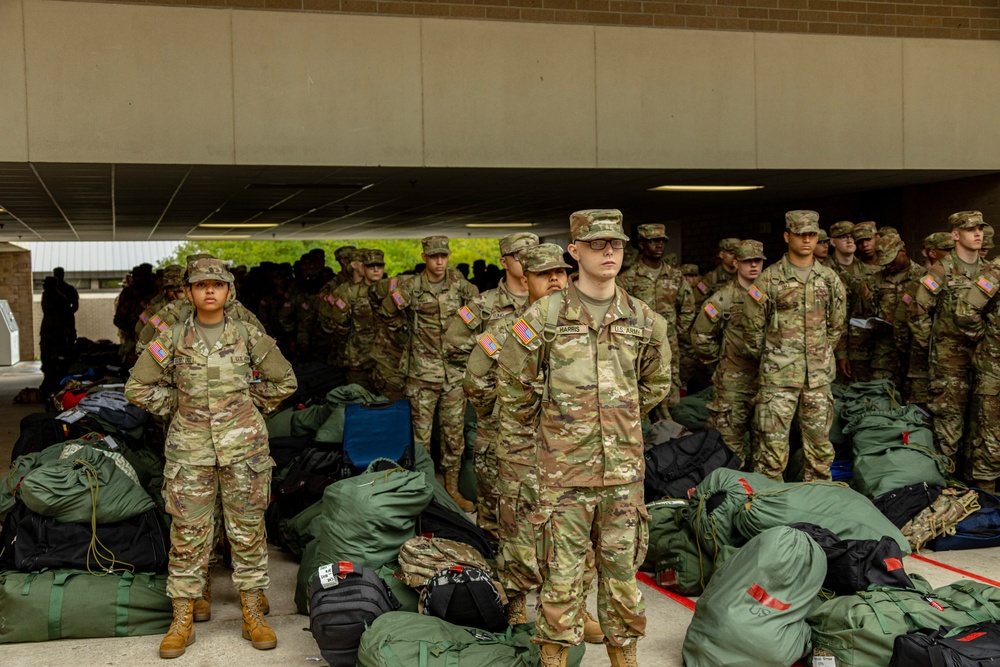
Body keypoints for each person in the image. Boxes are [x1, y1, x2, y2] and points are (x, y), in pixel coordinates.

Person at [495, 210, 670, 667]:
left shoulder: (644, 319)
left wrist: (612, 420)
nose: (608, 251)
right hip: (563, 476)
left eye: (615, 244)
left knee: (622, 579)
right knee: (561, 579)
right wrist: (561, 430)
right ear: (574, 252)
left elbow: (655, 385)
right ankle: (553, 660)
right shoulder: (545, 316)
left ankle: (624, 659)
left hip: (623, 477)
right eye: (597, 244)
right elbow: (513, 388)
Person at [125, 257, 297, 659]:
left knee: (248, 531)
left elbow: (285, 380)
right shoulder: (169, 337)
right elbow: (137, 387)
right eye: (200, 285)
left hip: (244, 448)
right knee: (187, 535)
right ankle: (182, 618)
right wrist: (179, 404)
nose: (208, 291)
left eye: (216, 285)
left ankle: (252, 612)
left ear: (228, 292)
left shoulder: (248, 334)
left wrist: (246, 406)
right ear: (189, 292)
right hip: (191, 449)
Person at [444, 231, 538, 536]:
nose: (526, 261)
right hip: (495, 413)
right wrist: (488, 355)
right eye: (519, 256)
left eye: (532, 254)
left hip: (538, 415)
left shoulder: (553, 305)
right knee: (491, 491)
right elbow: (452, 344)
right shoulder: (484, 304)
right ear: (504, 261)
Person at [376, 236, 479, 511]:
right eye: (434, 257)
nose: (439, 261)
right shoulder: (412, 287)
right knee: (420, 438)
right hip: (422, 374)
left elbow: (481, 315)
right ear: (425, 258)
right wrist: (404, 331)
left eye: (443, 256)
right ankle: (422, 490)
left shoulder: (461, 287)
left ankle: (452, 490)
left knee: (453, 437)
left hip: (455, 375)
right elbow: (386, 312)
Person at [744, 210, 846, 481]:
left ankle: (819, 507)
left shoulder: (829, 279)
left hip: (818, 378)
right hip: (778, 378)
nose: (806, 241)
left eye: (812, 235)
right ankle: (770, 508)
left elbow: (836, 326)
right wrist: (774, 357)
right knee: (772, 452)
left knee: (820, 450)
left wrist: (818, 354)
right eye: (800, 235)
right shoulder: (769, 279)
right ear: (787, 236)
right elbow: (753, 329)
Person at [909, 211, 985, 465]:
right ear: (955, 235)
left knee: (981, 423)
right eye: (970, 230)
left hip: (983, 362)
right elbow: (917, 309)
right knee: (948, 425)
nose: (977, 234)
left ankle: (976, 481)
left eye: (980, 229)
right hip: (949, 365)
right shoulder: (943, 269)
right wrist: (931, 343)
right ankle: (946, 481)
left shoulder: (988, 270)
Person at [690, 240, 766, 465]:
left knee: (766, 444)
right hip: (733, 384)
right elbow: (700, 336)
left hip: (767, 380)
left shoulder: (771, 295)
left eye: (757, 261)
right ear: (736, 263)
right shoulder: (723, 299)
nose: (753, 266)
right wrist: (719, 363)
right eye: (747, 261)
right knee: (730, 444)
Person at [616, 223, 696, 416]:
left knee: (670, 390)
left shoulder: (675, 277)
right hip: (639, 346)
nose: (659, 245)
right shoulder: (628, 279)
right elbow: (619, 312)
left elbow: (688, 307)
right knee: (640, 393)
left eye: (661, 241)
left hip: (669, 344)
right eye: (653, 241)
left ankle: (669, 435)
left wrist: (675, 331)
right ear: (642, 245)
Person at [319, 248, 385, 390]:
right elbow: (330, 322)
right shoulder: (343, 292)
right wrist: (349, 343)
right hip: (355, 358)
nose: (372, 267)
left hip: (382, 359)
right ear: (354, 265)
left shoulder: (384, 288)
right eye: (365, 262)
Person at [869, 234, 923, 386]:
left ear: (903, 251)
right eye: (884, 263)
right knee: (880, 396)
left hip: (915, 349)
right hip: (885, 351)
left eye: (891, 261)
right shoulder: (876, 280)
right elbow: (866, 311)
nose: (888, 266)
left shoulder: (923, 276)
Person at [39, 276, 75, 397]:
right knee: (46, 360)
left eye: (46, 283)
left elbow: (70, 317)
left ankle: (55, 385)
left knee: (57, 361)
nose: (44, 286)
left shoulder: (60, 299)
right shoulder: (46, 296)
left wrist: (71, 334)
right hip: (47, 333)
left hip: (57, 334)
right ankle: (48, 384)